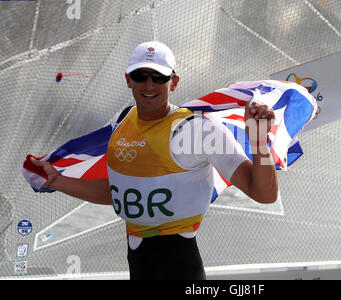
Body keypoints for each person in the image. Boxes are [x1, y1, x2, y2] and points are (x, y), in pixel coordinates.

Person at [30, 41, 278, 280]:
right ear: (128, 79)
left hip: (180, 265)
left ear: (174, 82)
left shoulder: (196, 130)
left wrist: (258, 141)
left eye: (159, 77)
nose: (149, 84)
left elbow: (264, 194)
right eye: (140, 76)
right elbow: (120, 191)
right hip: (138, 264)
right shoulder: (123, 120)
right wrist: (57, 181)